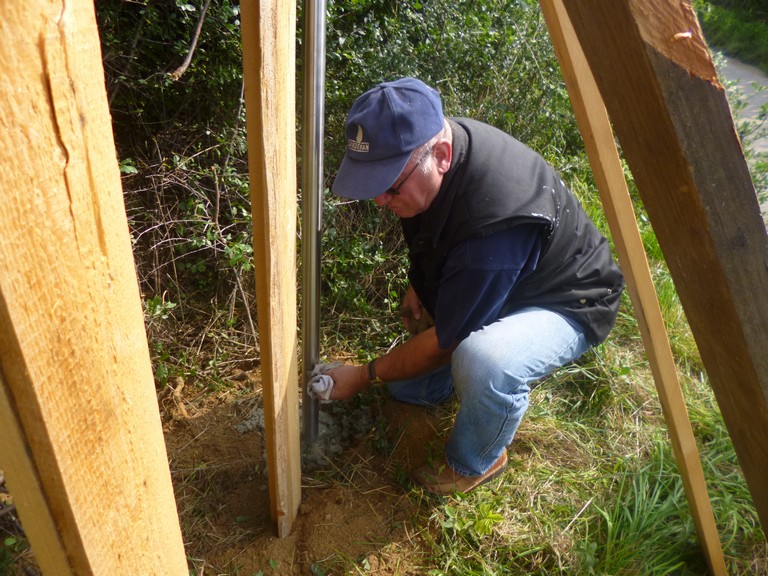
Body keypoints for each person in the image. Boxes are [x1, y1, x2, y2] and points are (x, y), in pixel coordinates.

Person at [325, 77, 624, 495]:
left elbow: (445, 342)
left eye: (389, 186)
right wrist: (421, 285)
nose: (379, 201)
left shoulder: (492, 224)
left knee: (483, 361)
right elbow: (434, 232)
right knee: (407, 387)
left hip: (570, 298)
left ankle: (477, 460)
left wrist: (364, 374)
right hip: (510, 275)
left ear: (441, 156)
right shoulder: (437, 150)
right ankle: (468, 379)